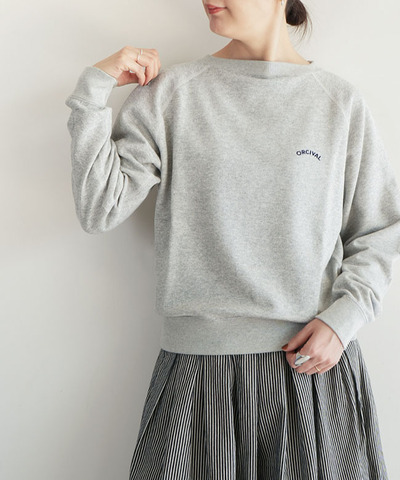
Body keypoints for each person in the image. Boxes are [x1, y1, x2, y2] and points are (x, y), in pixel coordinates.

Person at [65, 0, 400, 478]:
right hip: (197, 379)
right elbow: (99, 208)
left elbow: (380, 228)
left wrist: (345, 318)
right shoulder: (172, 93)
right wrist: (93, 89)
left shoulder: (338, 102)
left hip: (309, 374)